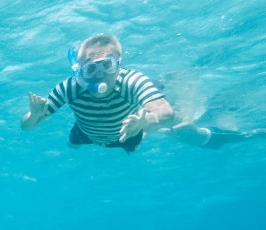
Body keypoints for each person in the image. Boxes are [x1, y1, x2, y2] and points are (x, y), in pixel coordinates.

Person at [21, 34, 174, 153]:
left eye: (108, 65)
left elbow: (167, 111)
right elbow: (26, 126)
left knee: (135, 145)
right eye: (91, 69)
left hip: (127, 133)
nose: (101, 75)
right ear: (79, 71)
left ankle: (152, 128)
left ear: (119, 65)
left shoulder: (132, 81)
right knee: (72, 146)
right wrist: (34, 115)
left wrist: (146, 121)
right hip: (86, 133)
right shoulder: (70, 88)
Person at [160, 121, 266, 149]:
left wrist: (171, 129)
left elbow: (189, 124)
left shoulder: (177, 124)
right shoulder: (167, 130)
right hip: (206, 145)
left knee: (243, 136)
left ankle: (262, 132)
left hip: (213, 135)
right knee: (239, 136)